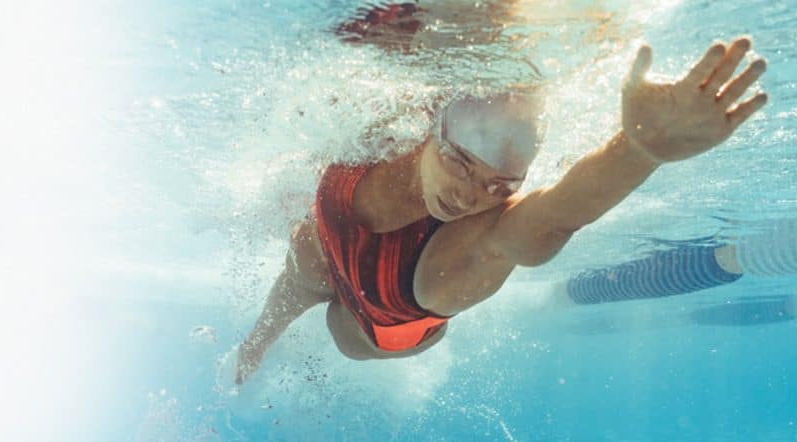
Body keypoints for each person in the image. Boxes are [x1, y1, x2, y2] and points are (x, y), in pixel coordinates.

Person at [234, 35, 769, 385]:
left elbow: (558, 212)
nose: (470, 196)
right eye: (462, 164)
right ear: (431, 130)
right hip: (337, 251)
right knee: (306, 251)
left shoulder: (464, 256)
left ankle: (295, 336)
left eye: (499, 184)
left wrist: (641, 149)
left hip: (384, 326)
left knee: (339, 325)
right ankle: (254, 346)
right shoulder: (385, 127)